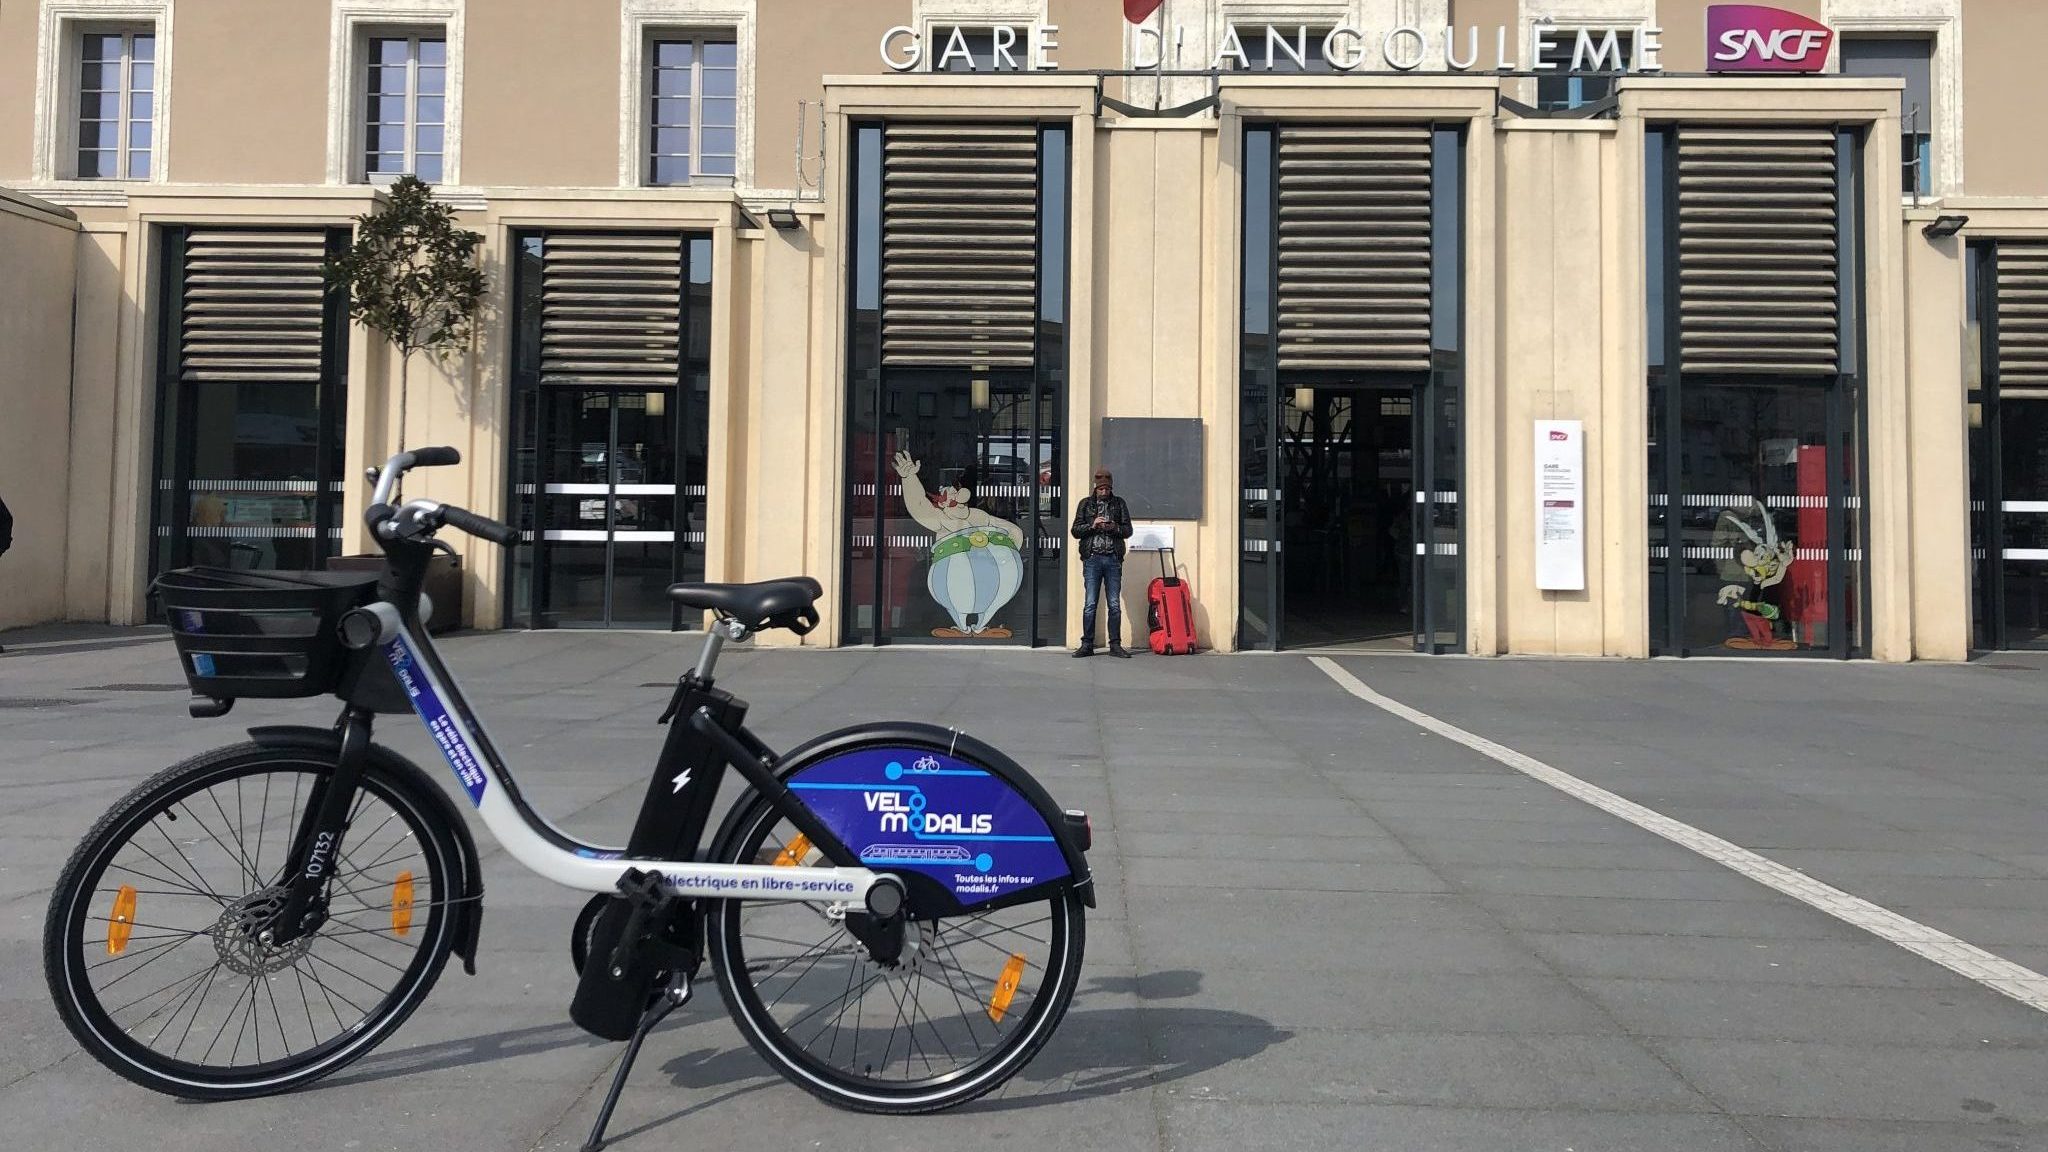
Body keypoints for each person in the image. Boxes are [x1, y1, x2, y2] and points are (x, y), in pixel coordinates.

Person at [1070, 466, 1133, 658]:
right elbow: (1075, 531)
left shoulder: (1119, 503)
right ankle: (1087, 644)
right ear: (1095, 488)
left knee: (1114, 604)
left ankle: (1115, 645)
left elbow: (1128, 530)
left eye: (1107, 488)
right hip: (1093, 559)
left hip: (1113, 558)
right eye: (1101, 488)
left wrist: (1114, 527)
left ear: (1111, 488)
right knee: (1090, 603)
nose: (1104, 491)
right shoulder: (1086, 504)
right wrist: (1092, 525)